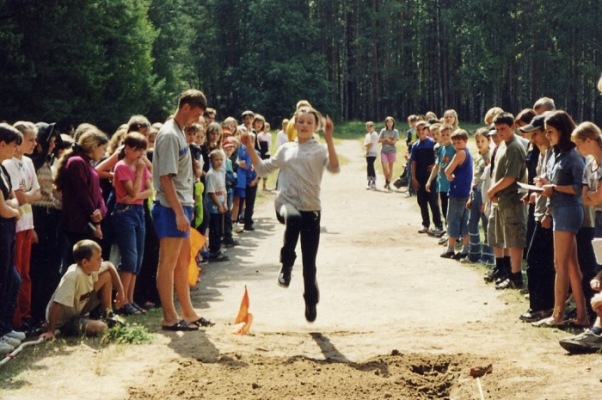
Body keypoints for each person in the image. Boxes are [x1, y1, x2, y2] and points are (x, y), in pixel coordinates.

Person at [242, 107, 340, 322]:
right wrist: (250, 146)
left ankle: (310, 300)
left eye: (309, 122)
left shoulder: (319, 150)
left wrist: (330, 138)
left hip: (311, 210)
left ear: (315, 127)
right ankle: (286, 264)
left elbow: (334, 167)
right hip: (285, 205)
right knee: (293, 218)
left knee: (309, 265)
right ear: (294, 125)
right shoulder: (286, 148)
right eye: (301, 122)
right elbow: (262, 169)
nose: (304, 125)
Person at [152, 89, 213, 331]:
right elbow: (165, 178)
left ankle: (188, 312)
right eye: (196, 114)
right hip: (170, 207)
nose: (197, 120)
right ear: (185, 107)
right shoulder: (169, 135)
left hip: (182, 205)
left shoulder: (177, 132)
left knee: (182, 262)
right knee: (167, 262)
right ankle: (169, 316)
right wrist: (178, 212)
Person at [533, 111, 588, 327]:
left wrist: (553, 187)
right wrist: (546, 184)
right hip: (558, 210)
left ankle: (557, 315)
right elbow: (556, 183)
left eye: (550, 131)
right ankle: (581, 316)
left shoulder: (574, 156)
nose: (547, 136)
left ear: (562, 131)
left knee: (560, 264)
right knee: (572, 267)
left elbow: (577, 187)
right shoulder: (556, 154)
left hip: (568, 211)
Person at [559, 121, 602, 352]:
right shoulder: (589, 164)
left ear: (589, 140)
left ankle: (596, 332)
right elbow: (586, 197)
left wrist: (591, 195)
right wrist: (592, 195)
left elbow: (593, 197)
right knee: (599, 268)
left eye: (579, 144)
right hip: (598, 220)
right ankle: (596, 330)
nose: (577, 149)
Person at [40, 240, 126, 340]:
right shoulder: (73, 275)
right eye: (98, 258)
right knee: (102, 327)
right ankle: (57, 329)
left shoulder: (92, 267)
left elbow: (110, 265)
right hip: (65, 321)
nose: (101, 260)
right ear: (85, 262)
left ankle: (108, 313)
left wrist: (121, 291)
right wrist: (51, 330)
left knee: (106, 275)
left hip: (79, 308)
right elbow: (57, 303)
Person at [3, 122, 42, 330]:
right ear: (17, 143)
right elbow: (20, 196)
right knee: (15, 272)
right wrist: (28, 196)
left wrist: (27, 197)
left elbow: (37, 192)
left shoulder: (28, 162)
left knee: (25, 273)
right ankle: (15, 319)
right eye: (30, 140)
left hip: (27, 223)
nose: (35, 144)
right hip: (16, 224)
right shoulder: (8, 164)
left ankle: (25, 316)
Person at [54, 128, 109, 271]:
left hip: (89, 224)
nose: (104, 153)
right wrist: (95, 219)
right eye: (103, 148)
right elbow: (82, 194)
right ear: (94, 146)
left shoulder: (89, 165)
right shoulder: (76, 162)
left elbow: (99, 194)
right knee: (76, 268)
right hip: (77, 225)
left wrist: (101, 212)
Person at [518, 114, 554, 322]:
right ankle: (539, 305)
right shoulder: (541, 153)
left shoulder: (551, 154)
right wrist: (533, 192)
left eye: (537, 132)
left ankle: (543, 306)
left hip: (548, 215)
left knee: (538, 260)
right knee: (535, 259)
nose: (532, 136)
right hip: (539, 212)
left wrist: (547, 211)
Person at [112, 132, 153, 315]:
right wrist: (138, 174)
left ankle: (130, 299)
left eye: (141, 151)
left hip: (139, 211)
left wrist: (137, 194)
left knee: (138, 258)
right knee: (129, 257)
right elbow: (134, 190)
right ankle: (122, 300)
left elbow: (149, 191)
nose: (139, 154)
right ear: (127, 148)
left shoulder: (141, 166)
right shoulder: (122, 166)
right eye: (136, 150)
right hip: (125, 212)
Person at [487, 113, 527, 290]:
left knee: (514, 240)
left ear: (513, 127)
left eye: (503, 128)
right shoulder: (503, 145)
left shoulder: (515, 147)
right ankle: (509, 273)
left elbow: (511, 176)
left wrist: (492, 189)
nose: (500, 132)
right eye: (497, 129)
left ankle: (516, 276)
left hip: (512, 200)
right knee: (506, 239)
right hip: (502, 200)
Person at [0, 124, 25, 355]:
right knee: (3, 280)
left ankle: (5, 328)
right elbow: (5, 208)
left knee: (12, 280)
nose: (17, 149)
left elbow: (12, 199)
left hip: (7, 232)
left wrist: (12, 207)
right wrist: (13, 209)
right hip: (2, 230)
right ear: (2, 144)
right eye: (14, 144)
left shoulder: (3, 170)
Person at [441, 129, 473, 259]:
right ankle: (466, 249)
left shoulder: (460, 153)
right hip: (465, 191)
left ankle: (450, 249)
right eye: (454, 143)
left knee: (453, 220)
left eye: (459, 142)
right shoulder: (468, 153)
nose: (456, 145)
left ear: (465, 141)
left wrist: (449, 176)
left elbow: (447, 170)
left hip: (457, 190)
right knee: (465, 221)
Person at [464, 128, 494, 265]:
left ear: (489, 141)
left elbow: (488, 180)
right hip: (475, 193)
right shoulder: (477, 156)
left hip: (484, 195)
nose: (480, 144)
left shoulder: (490, 157)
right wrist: (471, 196)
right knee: (471, 223)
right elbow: (475, 179)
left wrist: (486, 200)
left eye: (483, 141)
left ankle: (488, 256)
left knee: (486, 225)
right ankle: (474, 253)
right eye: (477, 141)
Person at [411, 121, 443, 234]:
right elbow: (413, 162)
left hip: (431, 177)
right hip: (419, 177)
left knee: (433, 201)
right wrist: (413, 178)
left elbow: (440, 158)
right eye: (418, 130)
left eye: (422, 129)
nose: (420, 132)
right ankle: (425, 224)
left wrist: (435, 166)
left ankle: (438, 225)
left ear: (426, 130)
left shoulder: (433, 143)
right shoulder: (415, 145)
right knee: (421, 201)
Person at [426, 124, 453, 237]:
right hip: (441, 184)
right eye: (443, 135)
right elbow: (437, 166)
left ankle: (452, 235)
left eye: (448, 135)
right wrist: (429, 180)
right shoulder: (441, 148)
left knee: (451, 211)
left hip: (451, 186)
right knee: (444, 209)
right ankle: (448, 232)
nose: (445, 137)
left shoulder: (454, 149)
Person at [205, 149, 229, 262]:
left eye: (221, 159)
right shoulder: (211, 174)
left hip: (220, 205)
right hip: (213, 207)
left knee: (220, 229)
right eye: (216, 160)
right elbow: (211, 192)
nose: (219, 162)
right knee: (214, 229)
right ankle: (213, 251)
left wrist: (224, 203)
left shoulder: (220, 173)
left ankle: (218, 249)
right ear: (211, 161)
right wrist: (219, 205)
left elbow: (223, 189)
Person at [378, 116, 399, 190]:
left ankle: (388, 183)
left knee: (390, 167)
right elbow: (379, 140)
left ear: (393, 123)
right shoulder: (383, 131)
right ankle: (387, 180)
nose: (389, 123)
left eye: (391, 122)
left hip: (392, 151)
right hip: (384, 151)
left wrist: (387, 140)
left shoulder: (395, 131)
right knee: (384, 167)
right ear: (386, 123)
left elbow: (394, 142)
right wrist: (386, 140)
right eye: (388, 122)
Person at [363, 121, 378, 190]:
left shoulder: (374, 134)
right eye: (368, 127)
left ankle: (373, 182)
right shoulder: (367, 135)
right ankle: (369, 181)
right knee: (369, 167)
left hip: (372, 152)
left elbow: (370, 144)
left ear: (373, 127)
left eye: (370, 126)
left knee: (370, 166)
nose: (369, 128)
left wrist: (367, 152)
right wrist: (367, 150)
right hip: (368, 152)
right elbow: (365, 144)